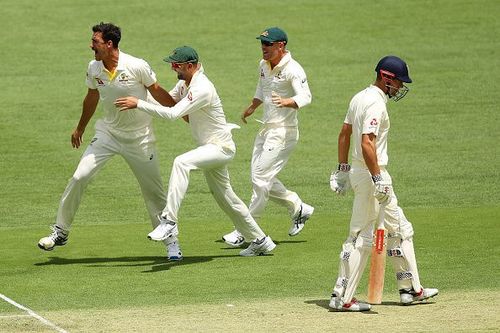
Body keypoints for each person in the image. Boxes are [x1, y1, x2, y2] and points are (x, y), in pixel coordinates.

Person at [37, 22, 183, 261]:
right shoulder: (94, 68)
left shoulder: (137, 65)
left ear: (109, 44)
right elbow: (91, 97)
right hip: (108, 135)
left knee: (154, 194)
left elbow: (156, 91)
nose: (91, 45)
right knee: (79, 176)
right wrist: (80, 127)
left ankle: (172, 243)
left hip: (140, 139)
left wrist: (179, 110)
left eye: (95, 41)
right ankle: (60, 231)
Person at [114, 46, 276, 257]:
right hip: (209, 148)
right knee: (227, 198)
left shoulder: (202, 88)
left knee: (182, 162)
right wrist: (138, 91)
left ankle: (169, 220)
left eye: (177, 65)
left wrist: (139, 104)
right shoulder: (185, 83)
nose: (174, 69)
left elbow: (173, 114)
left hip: (221, 148)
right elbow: (163, 100)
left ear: (190, 66)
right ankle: (261, 240)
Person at [328, 56, 438, 311]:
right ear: (387, 78)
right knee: (361, 236)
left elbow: (345, 134)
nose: (400, 87)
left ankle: (410, 289)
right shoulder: (375, 103)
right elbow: (367, 142)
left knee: (399, 228)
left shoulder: (359, 97)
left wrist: (343, 170)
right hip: (372, 175)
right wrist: (378, 179)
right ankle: (342, 297)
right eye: (399, 82)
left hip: (361, 172)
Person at [222, 27, 314, 247]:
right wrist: (252, 106)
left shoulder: (294, 69)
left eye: (268, 44)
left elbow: (306, 96)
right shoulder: (263, 65)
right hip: (266, 129)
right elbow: (262, 88)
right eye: (262, 44)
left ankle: (246, 229)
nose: (264, 48)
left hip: (284, 132)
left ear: (281, 45)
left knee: (260, 179)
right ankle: (298, 208)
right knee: (260, 178)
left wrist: (287, 102)